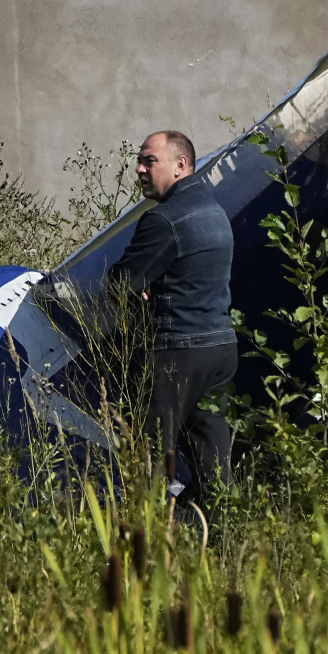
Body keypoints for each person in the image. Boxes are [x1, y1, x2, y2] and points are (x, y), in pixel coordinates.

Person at [105, 130, 236, 508]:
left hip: (178, 350)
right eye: (139, 161)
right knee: (214, 460)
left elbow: (121, 284)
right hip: (221, 348)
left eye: (150, 161)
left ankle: (149, 540)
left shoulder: (165, 219)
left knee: (150, 459)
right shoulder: (216, 212)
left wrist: (135, 285)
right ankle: (223, 539)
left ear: (181, 165)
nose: (139, 169)